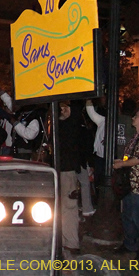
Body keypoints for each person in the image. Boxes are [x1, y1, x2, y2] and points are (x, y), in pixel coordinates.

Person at [113, 107, 139, 260]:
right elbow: (131, 157)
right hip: (130, 183)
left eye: (136, 116)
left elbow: (138, 159)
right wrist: (122, 161)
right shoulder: (136, 137)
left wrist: (121, 164)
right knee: (127, 215)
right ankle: (130, 243)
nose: (133, 118)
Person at [57, 100, 83, 255]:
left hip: (67, 170)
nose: (62, 111)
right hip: (61, 169)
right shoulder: (62, 125)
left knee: (69, 206)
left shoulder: (73, 125)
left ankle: (71, 242)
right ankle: (64, 239)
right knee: (62, 206)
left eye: (65, 108)